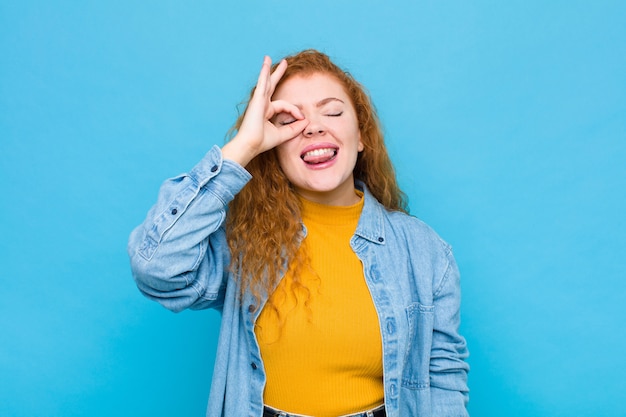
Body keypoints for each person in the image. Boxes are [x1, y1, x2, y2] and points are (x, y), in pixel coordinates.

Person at [128, 49, 469, 417]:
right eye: (290, 119)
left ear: (361, 137)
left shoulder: (424, 251)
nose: (313, 127)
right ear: (271, 145)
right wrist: (242, 148)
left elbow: (443, 379)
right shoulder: (245, 239)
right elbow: (156, 268)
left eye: (333, 112)